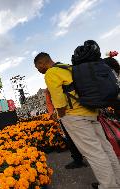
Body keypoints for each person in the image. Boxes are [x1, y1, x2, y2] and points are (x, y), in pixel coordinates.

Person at [34, 52, 120, 189]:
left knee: (94, 154)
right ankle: (116, 181)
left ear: (42, 63)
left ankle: (109, 186)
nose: (39, 71)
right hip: (90, 111)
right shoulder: (67, 67)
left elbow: (60, 103)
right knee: (106, 149)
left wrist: (58, 115)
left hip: (75, 117)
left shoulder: (51, 73)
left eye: (37, 68)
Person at [45, 89, 86, 169]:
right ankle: (78, 159)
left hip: (67, 114)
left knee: (72, 138)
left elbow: (50, 100)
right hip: (78, 109)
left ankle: (78, 159)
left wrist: (56, 114)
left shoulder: (51, 79)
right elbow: (49, 100)